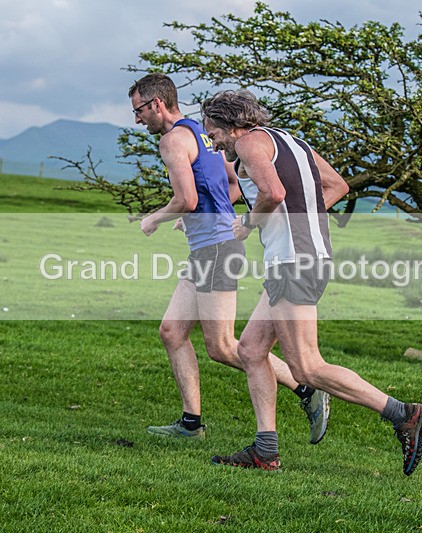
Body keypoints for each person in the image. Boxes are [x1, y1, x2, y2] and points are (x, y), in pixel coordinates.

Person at [201, 89, 422, 475]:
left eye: (214, 133)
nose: (214, 141)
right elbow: (338, 185)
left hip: (295, 262)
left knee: (306, 366)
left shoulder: (251, 144)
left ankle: (403, 414)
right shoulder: (292, 142)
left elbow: (273, 193)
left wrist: (248, 224)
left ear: (233, 124)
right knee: (251, 350)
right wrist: (299, 217)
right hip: (304, 257)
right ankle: (265, 451)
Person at [128, 74, 330, 444]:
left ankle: (308, 388)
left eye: (139, 110)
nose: (137, 119)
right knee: (171, 332)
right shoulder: (201, 135)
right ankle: (191, 425)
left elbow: (187, 199)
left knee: (223, 347)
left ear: (157, 104)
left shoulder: (173, 140)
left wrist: (153, 220)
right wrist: (209, 216)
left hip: (218, 248)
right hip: (210, 244)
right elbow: (232, 186)